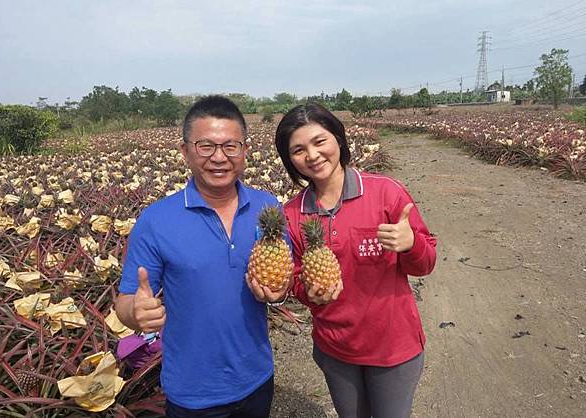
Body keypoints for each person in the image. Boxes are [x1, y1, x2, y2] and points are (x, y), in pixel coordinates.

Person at [115, 96, 290, 418]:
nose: (219, 157)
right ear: (185, 152)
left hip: (257, 377)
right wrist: (135, 313)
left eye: (230, 146)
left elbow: (283, 280)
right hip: (191, 391)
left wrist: (279, 293)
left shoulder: (268, 208)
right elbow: (126, 300)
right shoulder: (155, 220)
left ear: (245, 151)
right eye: (205, 146)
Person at [275, 103, 437, 418]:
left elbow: (426, 264)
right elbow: (295, 280)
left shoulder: (386, 193)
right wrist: (310, 294)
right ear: (289, 159)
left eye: (319, 141)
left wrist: (411, 244)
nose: (312, 155)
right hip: (336, 348)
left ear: (338, 138)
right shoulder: (292, 213)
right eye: (298, 149)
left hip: (393, 345)